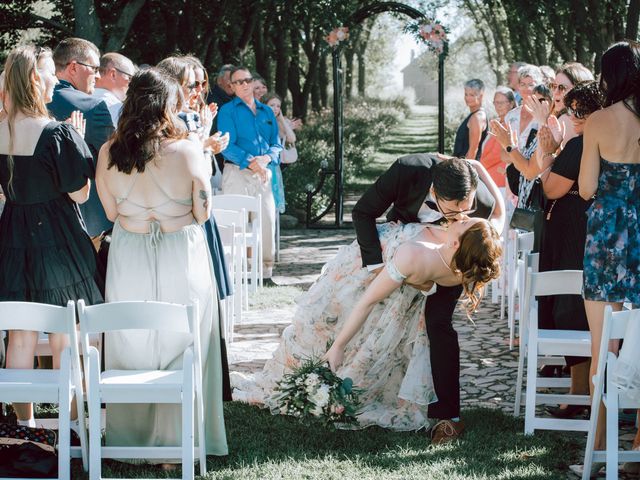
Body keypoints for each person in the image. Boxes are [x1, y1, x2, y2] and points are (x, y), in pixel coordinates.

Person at [231, 157, 504, 439]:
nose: (461, 215)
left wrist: (479, 168)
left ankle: (448, 415)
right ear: (434, 191)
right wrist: (376, 268)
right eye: (454, 209)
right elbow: (363, 212)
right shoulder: (408, 171)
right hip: (397, 252)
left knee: (438, 324)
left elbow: (493, 218)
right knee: (362, 313)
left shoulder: (476, 209)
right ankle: (349, 367)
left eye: (466, 208)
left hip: (455, 260)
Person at [95, 68, 228, 459]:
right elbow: (203, 213)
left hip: (129, 248)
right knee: (186, 338)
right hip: (179, 247)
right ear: (168, 105)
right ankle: (179, 443)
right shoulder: (186, 150)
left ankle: (130, 441)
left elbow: (109, 211)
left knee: (129, 338)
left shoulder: (108, 153)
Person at [0, 45, 102, 427]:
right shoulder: (58, 133)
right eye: (48, 73)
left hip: (12, 233)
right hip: (57, 239)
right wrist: (74, 140)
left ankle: (23, 430)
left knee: (20, 335)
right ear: (33, 79)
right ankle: (72, 424)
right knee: (65, 333)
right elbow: (80, 193)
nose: (54, 80)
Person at [579, 40, 640, 460]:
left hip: (605, 240)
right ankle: (639, 442)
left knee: (602, 346)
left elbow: (585, 188)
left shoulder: (599, 120)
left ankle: (599, 446)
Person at [535, 82, 603, 418]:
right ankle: (581, 393)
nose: (575, 117)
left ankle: (582, 397)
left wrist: (548, 154)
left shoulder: (581, 145)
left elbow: (551, 188)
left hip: (573, 232)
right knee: (578, 308)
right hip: (583, 228)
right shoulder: (600, 142)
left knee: (570, 307)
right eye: (573, 109)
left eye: (581, 111)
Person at [218, 66, 282, 283]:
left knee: (266, 219)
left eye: (247, 80)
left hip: (263, 172)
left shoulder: (266, 112)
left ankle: (265, 273)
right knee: (238, 222)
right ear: (231, 86)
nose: (245, 84)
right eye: (239, 82)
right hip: (237, 171)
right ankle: (239, 274)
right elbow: (227, 145)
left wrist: (265, 159)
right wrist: (251, 162)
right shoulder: (227, 111)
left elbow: (276, 144)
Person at [48, 37, 115, 240]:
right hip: (87, 222)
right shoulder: (93, 107)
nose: (97, 75)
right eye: (94, 68)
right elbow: (113, 162)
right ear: (74, 67)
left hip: (37, 222)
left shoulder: (28, 106)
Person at [263, 92, 295, 213]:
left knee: (275, 203)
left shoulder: (280, 122)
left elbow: (292, 139)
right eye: (272, 105)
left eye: (278, 106)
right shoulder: (259, 121)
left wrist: (281, 119)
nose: (275, 108)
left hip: (275, 166)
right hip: (264, 165)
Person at [479, 86, 517, 188]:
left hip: (501, 181)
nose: (498, 106)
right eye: (496, 102)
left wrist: (479, 166)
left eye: (502, 103)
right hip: (490, 178)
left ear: (511, 103)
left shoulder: (511, 124)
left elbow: (497, 154)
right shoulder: (497, 122)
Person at [93, 52, 136, 127]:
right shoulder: (118, 109)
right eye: (130, 78)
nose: (131, 84)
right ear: (113, 74)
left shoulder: (79, 97)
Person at [452, 79, 488, 160]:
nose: (468, 98)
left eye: (472, 95)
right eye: (466, 94)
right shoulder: (475, 115)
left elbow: (473, 151)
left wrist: (465, 171)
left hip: (466, 167)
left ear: (481, 96)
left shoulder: (477, 118)